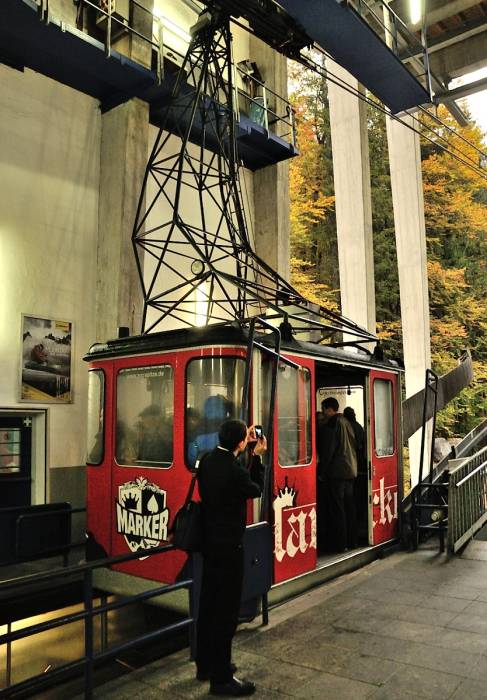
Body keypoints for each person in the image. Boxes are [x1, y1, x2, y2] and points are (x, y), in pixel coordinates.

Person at [196, 419, 267, 696]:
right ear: (240, 442)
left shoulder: (208, 460)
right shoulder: (235, 471)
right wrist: (257, 458)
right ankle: (221, 677)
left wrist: (241, 448)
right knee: (226, 614)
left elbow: (230, 474)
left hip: (209, 545)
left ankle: (205, 665)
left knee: (208, 607)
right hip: (229, 548)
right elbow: (255, 488)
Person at [317, 397, 358, 553]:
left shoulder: (333, 423)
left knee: (337, 508)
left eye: (323, 409)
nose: (322, 413)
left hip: (337, 472)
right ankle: (352, 541)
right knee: (350, 507)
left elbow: (329, 450)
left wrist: (322, 471)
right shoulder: (346, 422)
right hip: (350, 470)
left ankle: (340, 544)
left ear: (329, 409)